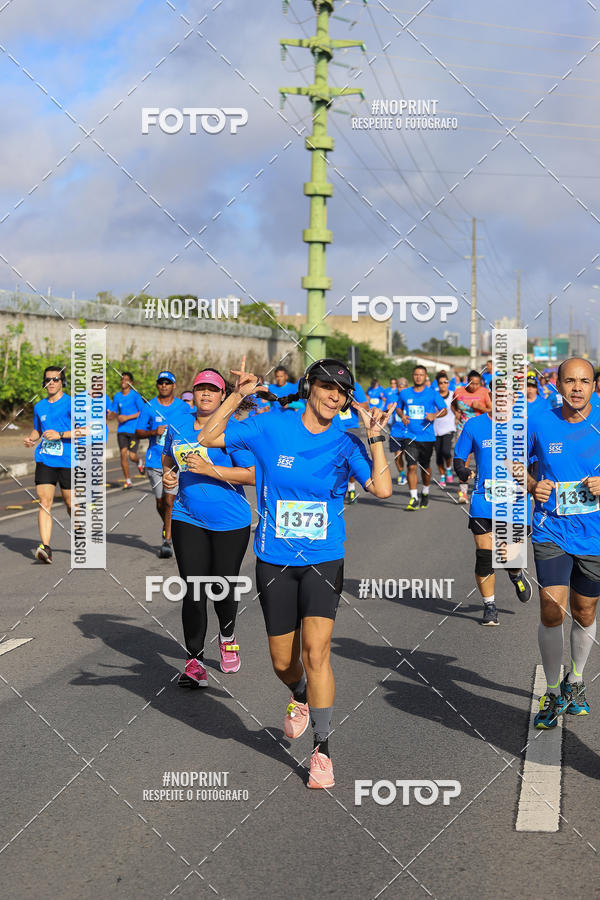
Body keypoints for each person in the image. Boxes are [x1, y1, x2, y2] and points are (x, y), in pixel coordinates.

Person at [200, 357, 393, 789]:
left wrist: (375, 437)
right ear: (309, 386)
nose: (333, 396)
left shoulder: (347, 442)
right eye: (326, 386)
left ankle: (322, 751)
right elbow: (208, 436)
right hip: (275, 559)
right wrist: (238, 396)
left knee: (317, 651)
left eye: (341, 392)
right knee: (284, 662)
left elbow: (382, 488)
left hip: (324, 557)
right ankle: (299, 693)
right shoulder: (272, 426)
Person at [162, 368, 256, 687]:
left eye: (212, 390)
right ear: (193, 392)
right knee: (194, 588)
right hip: (187, 516)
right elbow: (168, 459)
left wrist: (210, 469)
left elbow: (253, 474)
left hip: (231, 520)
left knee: (223, 586)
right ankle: (195, 663)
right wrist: (169, 476)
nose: (205, 394)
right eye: (201, 388)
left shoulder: (234, 428)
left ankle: (227, 637)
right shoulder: (178, 423)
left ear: (222, 395)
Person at [527, 358, 600, 728]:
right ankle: (553, 690)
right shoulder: (539, 420)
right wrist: (531, 484)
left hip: (595, 534)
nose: (576, 387)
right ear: (557, 384)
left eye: (584, 381)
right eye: (569, 380)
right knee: (551, 605)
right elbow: (512, 463)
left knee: (585, 611)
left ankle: (576, 680)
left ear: (593, 385)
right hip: (550, 529)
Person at [454, 390, 532, 625]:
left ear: (514, 399)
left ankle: (516, 574)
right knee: (485, 557)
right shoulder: (474, 425)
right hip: (483, 500)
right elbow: (459, 456)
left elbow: (539, 459)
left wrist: (532, 482)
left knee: (509, 558)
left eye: (508, 395)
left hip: (516, 502)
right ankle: (489, 605)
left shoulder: (526, 427)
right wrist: (462, 471)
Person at [136, 371, 190, 558]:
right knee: (160, 502)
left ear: (174, 386)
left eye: (168, 383)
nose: (164, 386)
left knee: (169, 501)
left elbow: (192, 427)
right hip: (154, 460)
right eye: (161, 383)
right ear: (158, 385)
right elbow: (138, 432)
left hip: (174, 461)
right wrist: (153, 431)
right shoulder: (149, 407)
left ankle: (167, 540)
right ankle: (168, 525)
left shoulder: (183, 407)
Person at [24, 366, 74, 563]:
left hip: (69, 460)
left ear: (62, 382)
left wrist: (61, 434)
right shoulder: (40, 407)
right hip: (45, 459)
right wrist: (31, 439)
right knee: (45, 503)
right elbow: (38, 429)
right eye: (48, 380)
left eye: (55, 379)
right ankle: (46, 547)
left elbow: (86, 430)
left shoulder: (73, 404)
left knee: (71, 504)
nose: (51, 383)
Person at [398, 365, 447, 510]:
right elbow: (399, 407)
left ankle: (425, 491)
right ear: (413, 376)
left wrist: (434, 415)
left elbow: (444, 409)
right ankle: (413, 498)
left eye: (421, 375)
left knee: (425, 468)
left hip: (427, 437)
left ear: (425, 377)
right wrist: (402, 416)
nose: (418, 377)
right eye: (416, 374)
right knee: (411, 466)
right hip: (410, 436)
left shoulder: (432, 394)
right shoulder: (405, 393)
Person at [452, 371, 492, 504]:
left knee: (484, 461)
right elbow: (453, 404)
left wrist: (480, 407)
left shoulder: (485, 392)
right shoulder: (459, 391)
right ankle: (463, 492)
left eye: (477, 383)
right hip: (464, 429)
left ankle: (487, 490)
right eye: (471, 383)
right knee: (464, 461)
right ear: (467, 381)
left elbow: (493, 410)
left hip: (484, 430)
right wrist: (456, 413)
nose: (474, 386)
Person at [332, 378, 368, 503]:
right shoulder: (331, 386)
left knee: (349, 461)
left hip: (352, 428)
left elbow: (365, 406)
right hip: (334, 427)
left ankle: (351, 489)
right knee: (335, 461)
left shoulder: (355, 387)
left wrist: (351, 402)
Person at [112, 372, 145, 488]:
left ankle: (139, 461)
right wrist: (111, 415)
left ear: (130, 383)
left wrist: (127, 417)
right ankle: (128, 480)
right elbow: (113, 412)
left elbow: (142, 412)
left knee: (132, 456)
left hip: (134, 430)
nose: (123, 381)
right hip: (122, 430)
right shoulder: (117, 396)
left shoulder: (135, 396)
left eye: (126, 380)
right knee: (122, 454)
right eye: (122, 379)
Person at [434, 372, 456, 486]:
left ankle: (448, 468)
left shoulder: (453, 395)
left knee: (446, 452)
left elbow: (458, 408)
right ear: (438, 384)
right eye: (441, 383)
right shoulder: (434, 395)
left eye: (445, 382)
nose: (443, 385)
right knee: (438, 455)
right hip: (435, 429)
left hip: (449, 428)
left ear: (448, 383)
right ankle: (442, 476)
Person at [386, 376, 408, 486]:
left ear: (407, 387)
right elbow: (386, 412)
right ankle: (402, 473)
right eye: (399, 386)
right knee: (397, 455)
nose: (401, 389)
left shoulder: (411, 397)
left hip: (409, 432)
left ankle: (410, 472)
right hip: (396, 431)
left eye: (403, 386)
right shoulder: (392, 397)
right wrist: (387, 409)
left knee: (409, 456)